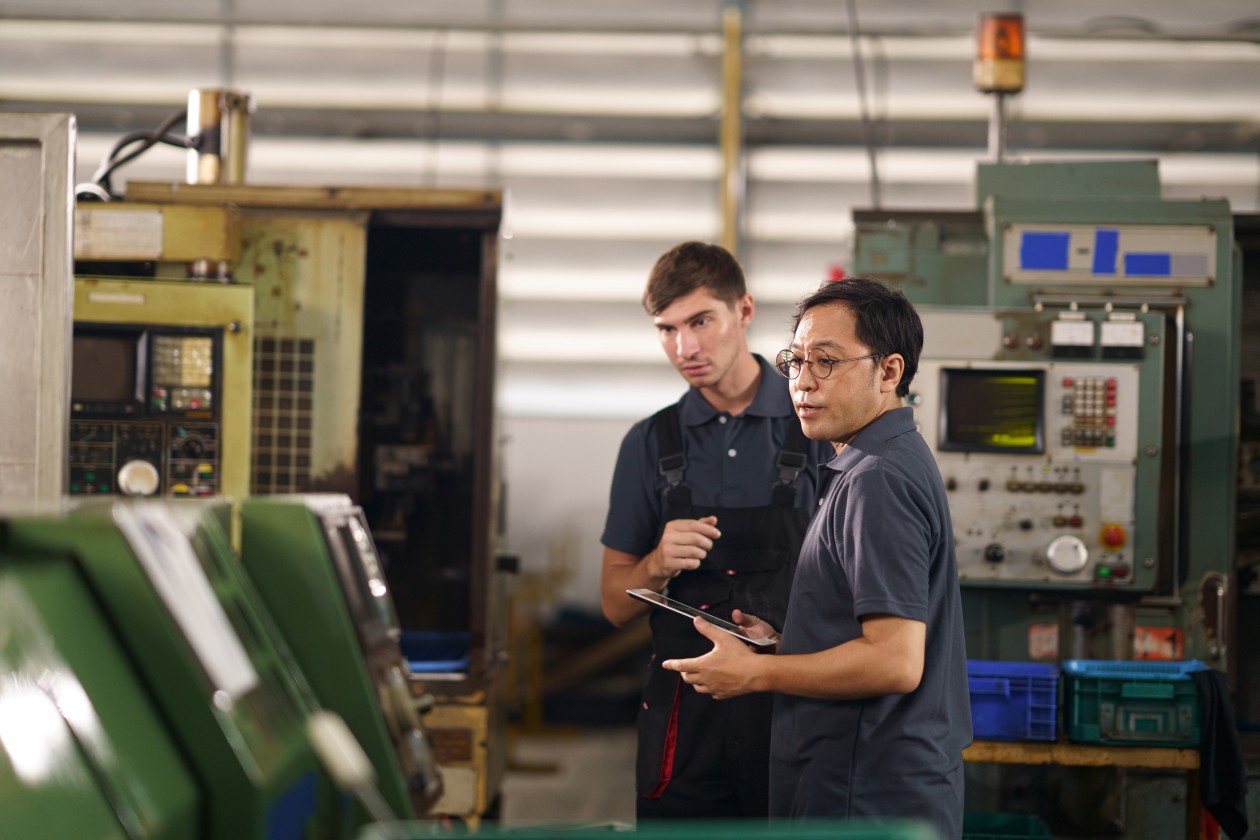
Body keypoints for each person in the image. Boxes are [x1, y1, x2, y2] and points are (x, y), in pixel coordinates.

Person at [661, 277, 971, 839]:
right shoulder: (875, 460)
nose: (803, 382)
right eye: (796, 361)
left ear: (890, 371)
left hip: (865, 792)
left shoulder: (877, 479)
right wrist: (789, 643)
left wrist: (756, 673)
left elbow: (895, 662)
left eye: (826, 362)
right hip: (861, 781)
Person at [599, 241, 833, 820]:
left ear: (744, 310)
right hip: (684, 726)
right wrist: (656, 564)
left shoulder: (818, 428)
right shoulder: (649, 443)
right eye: (667, 329)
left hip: (790, 711)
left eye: (700, 321)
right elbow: (614, 605)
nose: (685, 348)